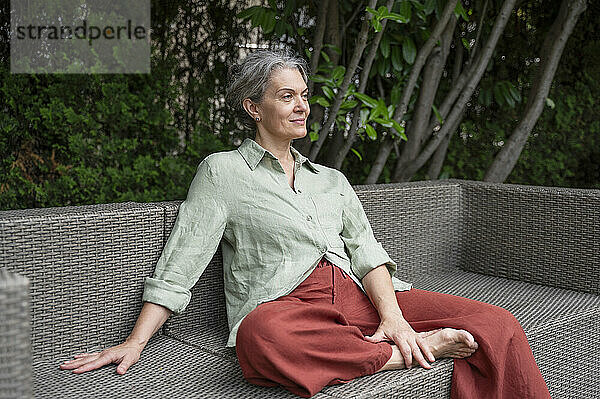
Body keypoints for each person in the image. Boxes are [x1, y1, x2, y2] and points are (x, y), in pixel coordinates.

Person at [59, 48, 551, 399]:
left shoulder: (330, 180)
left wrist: (393, 317)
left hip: (362, 294)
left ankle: (403, 338)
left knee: (498, 323)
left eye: (304, 95)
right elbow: (181, 261)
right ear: (254, 108)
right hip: (288, 305)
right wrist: (136, 340)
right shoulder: (222, 172)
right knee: (259, 339)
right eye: (286, 96)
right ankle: (415, 352)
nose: (302, 106)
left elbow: (368, 253)